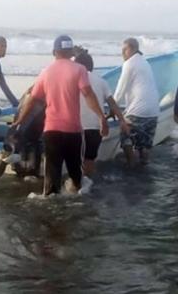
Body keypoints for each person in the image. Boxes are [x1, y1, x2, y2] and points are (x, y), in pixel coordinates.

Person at [14, 35, 108, 196]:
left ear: (54, 52)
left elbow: (32, 100)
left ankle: (51, 210)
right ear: (71, 52)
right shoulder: (79, 69)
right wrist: (101, 117)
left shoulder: (46, 72)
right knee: (76, 176)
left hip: (51, 132)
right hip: (73, 132)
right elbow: (88, 94)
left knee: (52, 179)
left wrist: (19, 121)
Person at [74, 50, 129, 176]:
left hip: (75, 127)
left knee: (74, 161)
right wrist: (122, 120)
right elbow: (112, 103)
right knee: (89, 161)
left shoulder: (72, 79)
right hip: (95, 127)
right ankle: (88, 184)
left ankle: (76, 186)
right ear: (91, 66)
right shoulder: (101, 81)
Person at [113, 37, 159, 167]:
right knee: (144, 145)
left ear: (133, 49)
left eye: (125, 50)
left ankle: (131, 164)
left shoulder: (129, 64)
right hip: (154, 111)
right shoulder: (145, 62)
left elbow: (119, 92)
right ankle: (144, 164)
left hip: (138, 111)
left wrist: (113, 109)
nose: (122, 53)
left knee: (125, 134)